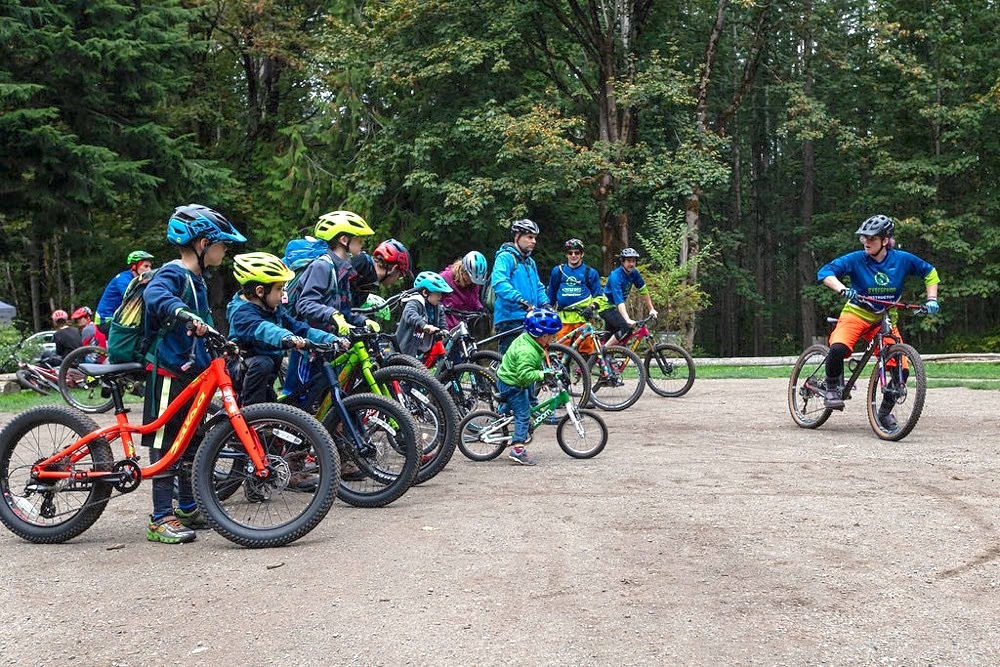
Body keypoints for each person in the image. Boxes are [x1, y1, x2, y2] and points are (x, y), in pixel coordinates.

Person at [141, 204, 246, 544]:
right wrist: (182, 311)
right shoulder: (172, 273)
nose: (225, 250)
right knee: (166, 441)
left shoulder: (199, 279)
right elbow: (155, 296)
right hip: (168, 370)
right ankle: (160, 517)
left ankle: (186, 505)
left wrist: (223, 343)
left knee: (191, 439)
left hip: (192, 374)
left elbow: (204, 325)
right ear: (203, 243)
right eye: (221, 244)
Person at [816, 214, 940, 425]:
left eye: (872, 238)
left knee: (901, 368)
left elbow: (930, 272)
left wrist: (932, 299)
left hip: (885, 318)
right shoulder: (856, 259)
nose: (866, 242)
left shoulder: (902, 259)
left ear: (885, 240)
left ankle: (883, 413)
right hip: (856, 313)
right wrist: (843, 289)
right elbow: (825, 272)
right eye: (864, 237)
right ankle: (831, 387)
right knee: (838, 348)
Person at [226, 252, 344, 407]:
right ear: (260, 291)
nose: (283, 294)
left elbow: (300, 328)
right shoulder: (241, 313)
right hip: (241, 375)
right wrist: (287, 337)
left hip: (265, 380)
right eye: (279, 288)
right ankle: (252, 417)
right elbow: (265, 329)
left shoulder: (273, 309)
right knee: (263, 363)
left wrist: (331, 338)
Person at [284, 210, 380, 396]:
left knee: (325, 399)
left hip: (329, 346)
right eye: (359, 239)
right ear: (344, 240)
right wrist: (332, 315)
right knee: (297, 400)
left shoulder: (342, 269)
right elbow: (305, 303)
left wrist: (361, 321)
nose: (362, 244)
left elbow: (343, 310)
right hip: (308, 348)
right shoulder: (322, 266)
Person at [495, 308, 562, 466]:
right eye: (551, 336)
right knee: (523, 414)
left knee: (528, 400)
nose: (552, 339)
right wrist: (542, 375)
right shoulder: (527, 351)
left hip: (514, 379)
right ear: (543, 336)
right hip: (512, 383)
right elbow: (524, 375)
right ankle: (518, 449)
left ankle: (501, 414)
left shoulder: (529, 340)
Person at [491, 219, 550, 355]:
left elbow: (539, 287)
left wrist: (545, 303)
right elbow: (499, 283)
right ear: (517, 237)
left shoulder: (530, 262)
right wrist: (520, 300)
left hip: (529, 317)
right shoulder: (505, 257)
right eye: (529, 237)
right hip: (510, 318)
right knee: (510, 364)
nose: (533, 241)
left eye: (535, 238)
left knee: (529, 359)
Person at [547, 238, 604, 354]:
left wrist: (592, 307)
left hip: (583, 319)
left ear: (582, 254)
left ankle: (584, 372)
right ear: (566, 254)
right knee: (561, 354)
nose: (573, 255)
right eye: (570, 253)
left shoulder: (590, 273)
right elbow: (550, 296)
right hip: (564, 321)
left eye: (577, 252)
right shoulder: (557, 271)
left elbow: (599, 296)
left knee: (586, 352)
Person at [602, 247, 657, 347]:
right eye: (628, 261)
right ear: (622, 262)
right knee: (625, 327)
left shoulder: (634, 273)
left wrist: (651, 309)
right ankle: (603, 351)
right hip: (606, 306)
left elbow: (643, 290)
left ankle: (609, 355)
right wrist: (627, 319)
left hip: (616, 308)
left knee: (622, 333)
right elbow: (619, 301)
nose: (631, 264)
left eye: (633, 261)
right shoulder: (616, 276)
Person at [395, 270, 452, 362]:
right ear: (425, 293)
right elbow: (409, 314)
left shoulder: (437, 307)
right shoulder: (415, 302)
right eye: (437, 294)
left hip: (423, 347)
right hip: (405, 348)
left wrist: (444, 329)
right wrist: (424, 325)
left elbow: (441, 319)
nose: (440, 297)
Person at [95, 250, 155, 328]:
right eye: (146, 266)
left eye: (150, 266)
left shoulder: (137, 280)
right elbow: (135, 299)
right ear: (134, 266)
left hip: (118, 318)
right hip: (106, 320)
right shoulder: (123, 280)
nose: (149, 270)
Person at [349, 238, 413, 307]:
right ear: (394, 269)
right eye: (400, 276)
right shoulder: (362, 262)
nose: (397, 280)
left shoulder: (370, 282)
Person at [440, 251, 488, 329]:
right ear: (463, 271)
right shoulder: (445, 278)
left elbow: (475, 301)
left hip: (465, 328)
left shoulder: (474, 285)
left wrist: (481, 309)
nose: (472, 282)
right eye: (470, 278)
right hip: (447, 328)